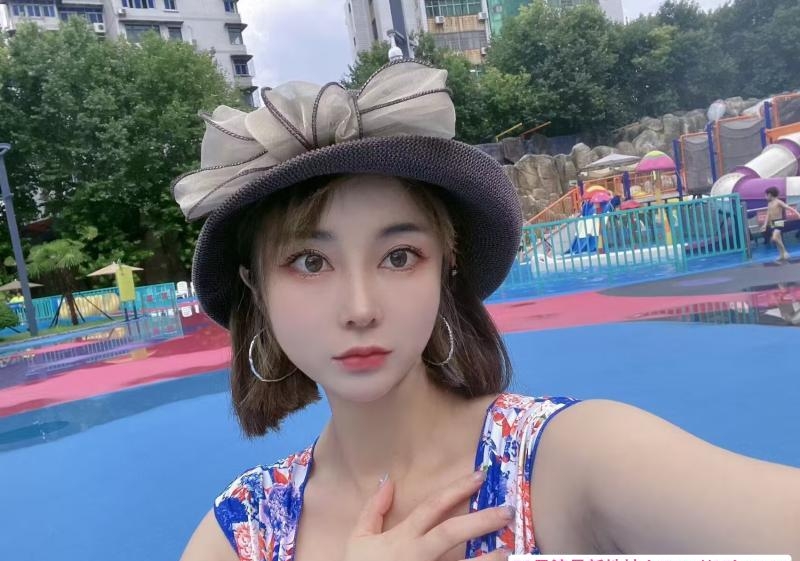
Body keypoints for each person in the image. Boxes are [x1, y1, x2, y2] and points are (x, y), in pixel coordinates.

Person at [174, 62, 800, 560]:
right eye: (310, 262)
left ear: (446, 266)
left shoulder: (569, 460)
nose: (360, 309)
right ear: (255, 287)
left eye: (399, 256)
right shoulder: (242, 529)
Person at [763, 186, 800, 262]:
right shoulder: (769, 204)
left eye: (766, 195)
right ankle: (781, 255)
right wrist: (765, 224)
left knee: (774, 238)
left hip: (779, 221)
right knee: (778, 240)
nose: (765, 197)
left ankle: (785, 252)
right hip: (772, 222)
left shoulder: (778, 202)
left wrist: (797, 214)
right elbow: (768, 215)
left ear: (770, 194)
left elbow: (789, 208)